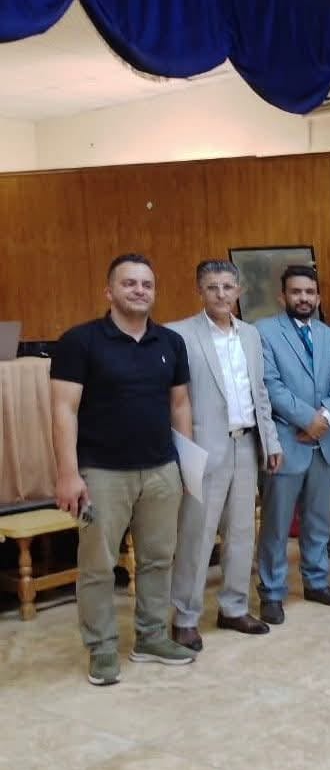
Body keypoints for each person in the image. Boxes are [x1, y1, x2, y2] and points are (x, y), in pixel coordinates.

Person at [50, 253, 197, 686]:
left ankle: (151, 637)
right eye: (129, 283)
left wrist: (186, 465)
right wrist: (68, 474)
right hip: (101, 473)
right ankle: (101, 648)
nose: (139, 290)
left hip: (161, 470)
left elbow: (180, 405)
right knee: (98, 565)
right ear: (108, 291)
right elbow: (63, 410)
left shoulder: (170, 343)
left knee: (158, 559)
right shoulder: (79, 342)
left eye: (146, 284)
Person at [168, 260, 283, 652]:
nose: (221, 294)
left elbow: (260, 392)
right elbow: (173, 399)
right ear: (200, 291)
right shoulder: (179, 334)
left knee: (241, 533)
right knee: (197, 536)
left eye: (228, 287)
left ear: (239, 291)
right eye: (212, 287)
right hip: (202, 448)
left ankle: (234, 608)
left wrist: (271, 442)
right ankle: (185, 617)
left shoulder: (250, 334)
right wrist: (181, 451)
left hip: (246, 444)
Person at [255, 265, 330, 624]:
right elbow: (270, 384)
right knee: (277, 524)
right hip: (286, 440)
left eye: (310, 292)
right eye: (296, 292)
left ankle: (316, 581)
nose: (304, 298)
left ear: (318, 297)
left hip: (325, 441)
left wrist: (324, 418)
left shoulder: (329, 335)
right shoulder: (264, 332)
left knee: (319, 519)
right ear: (283, 297)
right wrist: (307, 419)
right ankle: (272, 591)